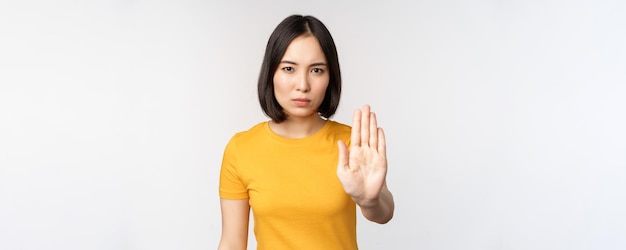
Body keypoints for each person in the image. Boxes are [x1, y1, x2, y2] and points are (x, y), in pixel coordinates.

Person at [218, 14, 395, 250]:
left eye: (317, 70)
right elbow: (231, 243)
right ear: (271, 73)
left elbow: (383, 213)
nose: (302, 84)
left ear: (330, 77)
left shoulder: (352, 143)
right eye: (289, 68)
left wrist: (369, 200)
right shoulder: (241, 149)